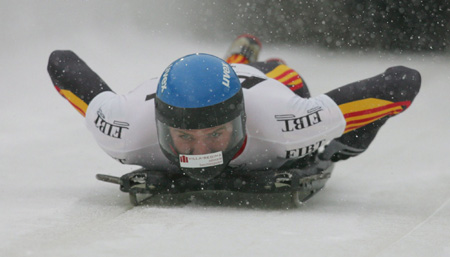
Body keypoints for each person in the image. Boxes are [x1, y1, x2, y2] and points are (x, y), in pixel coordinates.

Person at [47, 34, 421, 182]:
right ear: (161, 126)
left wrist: (341, 142)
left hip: (268, 82)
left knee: (334, 145)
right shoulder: (123, 131)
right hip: (222, 81)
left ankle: (243, 56)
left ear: (241, 121)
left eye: (214, 133)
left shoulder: (286, 121)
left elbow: (402, 85)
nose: (201, 151)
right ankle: (238, 52)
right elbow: (60, 62)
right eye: (184, 137)